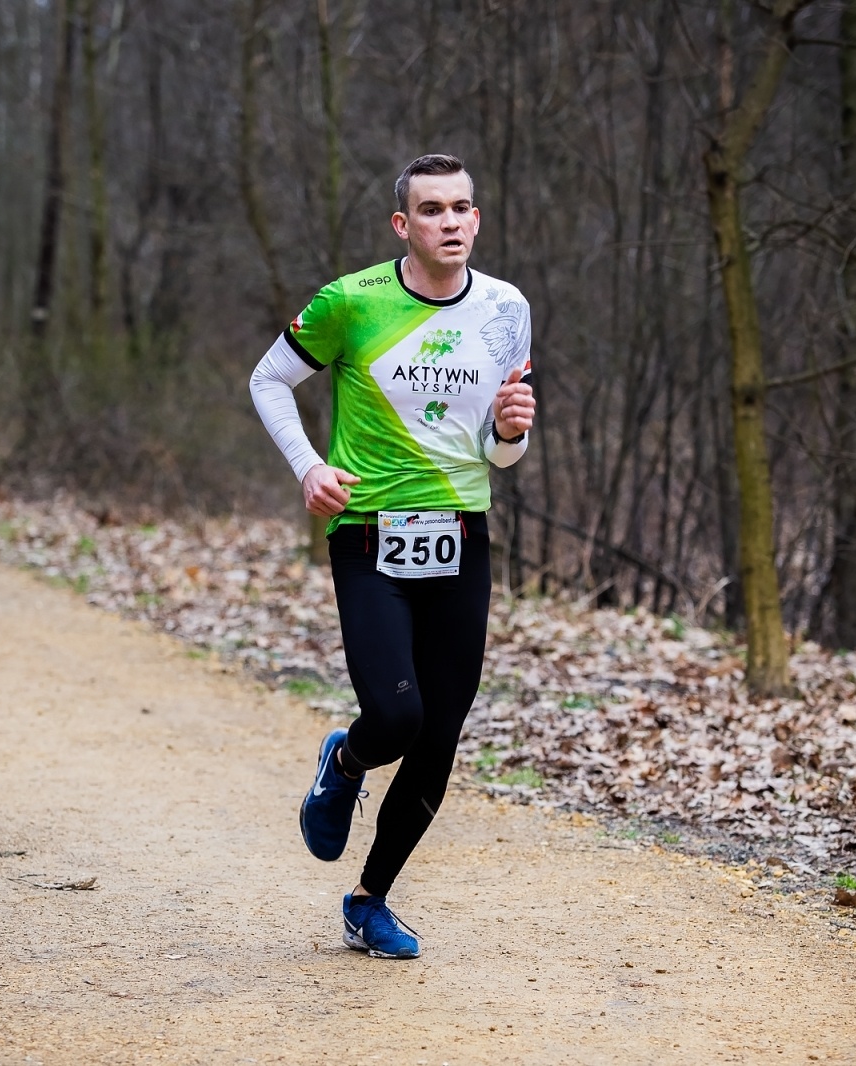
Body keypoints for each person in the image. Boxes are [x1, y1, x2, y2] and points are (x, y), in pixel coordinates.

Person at [250, 154, 536, 959]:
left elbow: (501, 454)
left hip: (462, 533)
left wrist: (511, 432)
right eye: (432, 209)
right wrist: (309, 467)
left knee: (440, 734)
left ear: (477, 220)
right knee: (400, 715)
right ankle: (346, 760)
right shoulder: (353, 301)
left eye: (463, 207)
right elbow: (268, 380)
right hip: (369, 529)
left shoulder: (507, 309)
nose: (451, 221)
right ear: (402, 225)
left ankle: (369, 900)